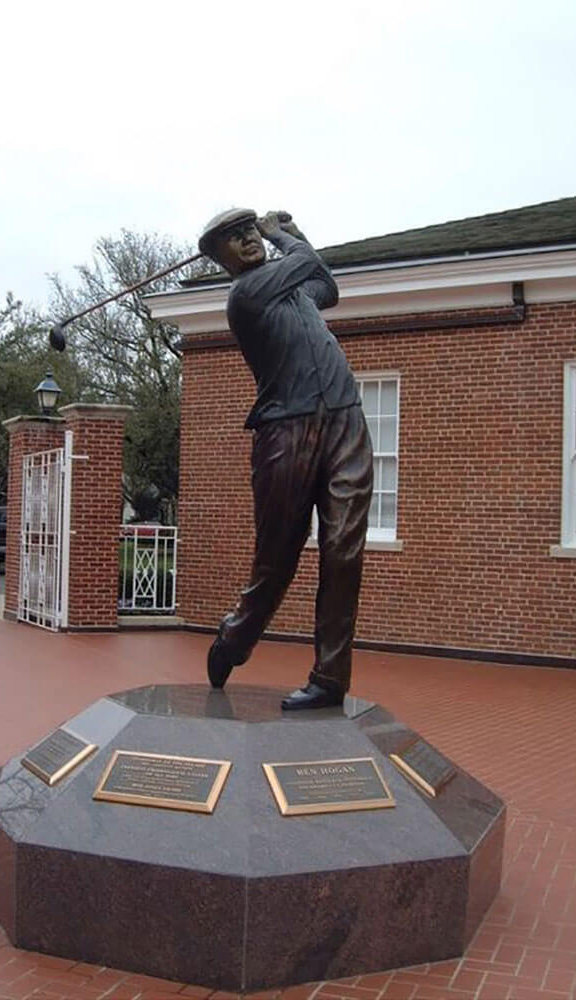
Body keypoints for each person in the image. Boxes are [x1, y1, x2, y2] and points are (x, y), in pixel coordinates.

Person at [198, 208, 373, 710]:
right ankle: (236, 635)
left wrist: (291, 236)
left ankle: (330, 678)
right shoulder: (246, 296)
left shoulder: (293, 290)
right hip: (286, 431)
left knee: (343, 549)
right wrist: (285, 236)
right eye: (235, 237)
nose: (249, 238)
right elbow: (307, 261)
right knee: (278, 558)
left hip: (345, 420)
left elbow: (327, 285)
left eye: (251, 229)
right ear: (219, 257)